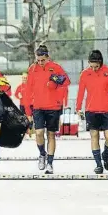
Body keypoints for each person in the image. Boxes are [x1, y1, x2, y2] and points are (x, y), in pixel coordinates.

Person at [24, 45, 71, 174]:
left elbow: (67, 81)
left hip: (53, 107)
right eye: (38, 60)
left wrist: (55, 82)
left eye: (42, 60)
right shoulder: (32, 69)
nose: (40, 63)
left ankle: (50, 163)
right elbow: (27, 91)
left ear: (47, 57)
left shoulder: (55, 67)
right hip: (38, 107)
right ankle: (42, 154)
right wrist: (28, 112)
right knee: (39, 133)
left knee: (51, 135)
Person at [76, 50, 108, 174]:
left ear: (101, 63)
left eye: (96, 66)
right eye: (91, 66)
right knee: (94, 136)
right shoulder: (85, 74)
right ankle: (98, 165)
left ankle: (105, 154)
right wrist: (78, 108)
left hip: (106, 110)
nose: (94, 69)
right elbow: (81, 92)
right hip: (91, 111)